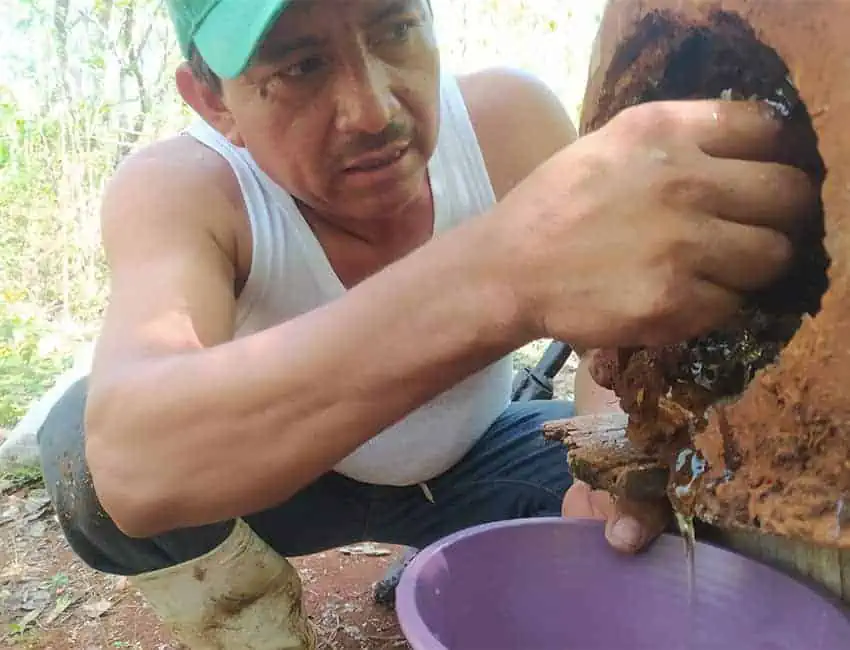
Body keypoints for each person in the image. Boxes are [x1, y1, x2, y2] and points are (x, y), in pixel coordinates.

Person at [36, 0, 817, 647]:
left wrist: (612, 468)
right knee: (81, 447)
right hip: (288, 484)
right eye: (300, 65)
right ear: (213, 100)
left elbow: (616, 356)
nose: (373, 109)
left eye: (394, 29)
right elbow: (136, 469)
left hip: (476, 455)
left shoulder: (508, 121)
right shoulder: (182, 187)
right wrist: (503, 271)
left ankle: (468, 563)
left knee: (688, 495)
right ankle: (254, 625)